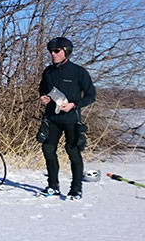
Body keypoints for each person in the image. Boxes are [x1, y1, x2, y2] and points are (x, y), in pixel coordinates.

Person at [38, 37, 96, 200]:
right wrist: (44, 98)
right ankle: (53, 186)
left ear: (67, 52)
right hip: (53, 119)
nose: (53, 54)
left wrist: (74, 104)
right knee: (48, 149)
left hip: (71, 119)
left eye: (56, 51)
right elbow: (43, 89)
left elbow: (91, 96)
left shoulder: (79, 72)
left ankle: (76, 189)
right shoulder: (48, 71)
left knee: (73, 152)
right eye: (50, 51)